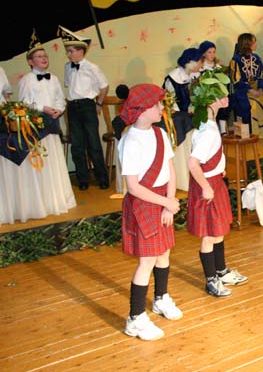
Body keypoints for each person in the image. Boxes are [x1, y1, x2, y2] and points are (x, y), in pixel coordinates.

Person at [118, 83, 183, 341]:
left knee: (164, 252)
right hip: (143, 203)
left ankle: (160, 298)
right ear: (143, 109)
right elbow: (133, 187)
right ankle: (135, 318)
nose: (161, 109)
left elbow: (170, 170)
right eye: (157, 105)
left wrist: (169, 201)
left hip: (162, 200)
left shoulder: (160, 133)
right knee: (147, 261)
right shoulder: (130, 141)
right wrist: (164, 201)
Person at [187, 81, 247, 297]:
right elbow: (193, 163)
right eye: (221, 94)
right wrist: (205, 187)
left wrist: (218, 167)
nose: (227, 97)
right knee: (209, 234)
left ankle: (221, 271)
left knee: (219, 229)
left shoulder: (210, 125)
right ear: (210, 100)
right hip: (208, 185)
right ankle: (211, 279)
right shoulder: (208, 131)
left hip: (214, 180)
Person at [17, 29, 76, 214]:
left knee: (54, 158)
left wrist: (59, 109)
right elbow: (23, 103)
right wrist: (43, 108)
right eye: (39, 56)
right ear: (30, 61)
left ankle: (57, 197)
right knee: (41, 159)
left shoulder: (54, 79)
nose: (43, 58)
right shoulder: (27, 80)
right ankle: (43, 199)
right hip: (36, 124)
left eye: (45, 56)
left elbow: (60, 98)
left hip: (52, 122)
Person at [58, 25, 110, 190]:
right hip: (73, 107)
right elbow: (69, 85)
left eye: (71, 51)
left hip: (88, 106)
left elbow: (104, 86)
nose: (68, 54)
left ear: (81, 51)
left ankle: (102, 177)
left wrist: (99, 103)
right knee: (77, 144)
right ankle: (83, 179)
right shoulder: (68, 67)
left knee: (93, 142)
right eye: (68, 51)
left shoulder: (92, 67)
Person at [229, 33, 263, 138]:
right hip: (242, 91)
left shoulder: (257, 58)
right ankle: (252, 132)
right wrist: (250, 90)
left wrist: (260, 88)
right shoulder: (235, 60)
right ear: (247, 44)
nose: (256, 44)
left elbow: (261, 76)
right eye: (254, 42)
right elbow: (236, 80)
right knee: (250, 105)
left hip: (256, 89)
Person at [199, 40, 230, 134]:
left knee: (223, 102)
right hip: (206, 92)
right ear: (203, 53)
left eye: (214, 52)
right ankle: (212, 128)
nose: (212, 54)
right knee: (212, 103)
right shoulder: (200, 66)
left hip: (218, 91)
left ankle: (223, 130)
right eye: (209, 52)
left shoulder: (218, 65)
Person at [163, 47, 203, 113]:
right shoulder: (173, 79)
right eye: (200, 62)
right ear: (191, 62)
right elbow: (171, 103)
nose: (201, 65)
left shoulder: (197, 75)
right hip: (179, 115)